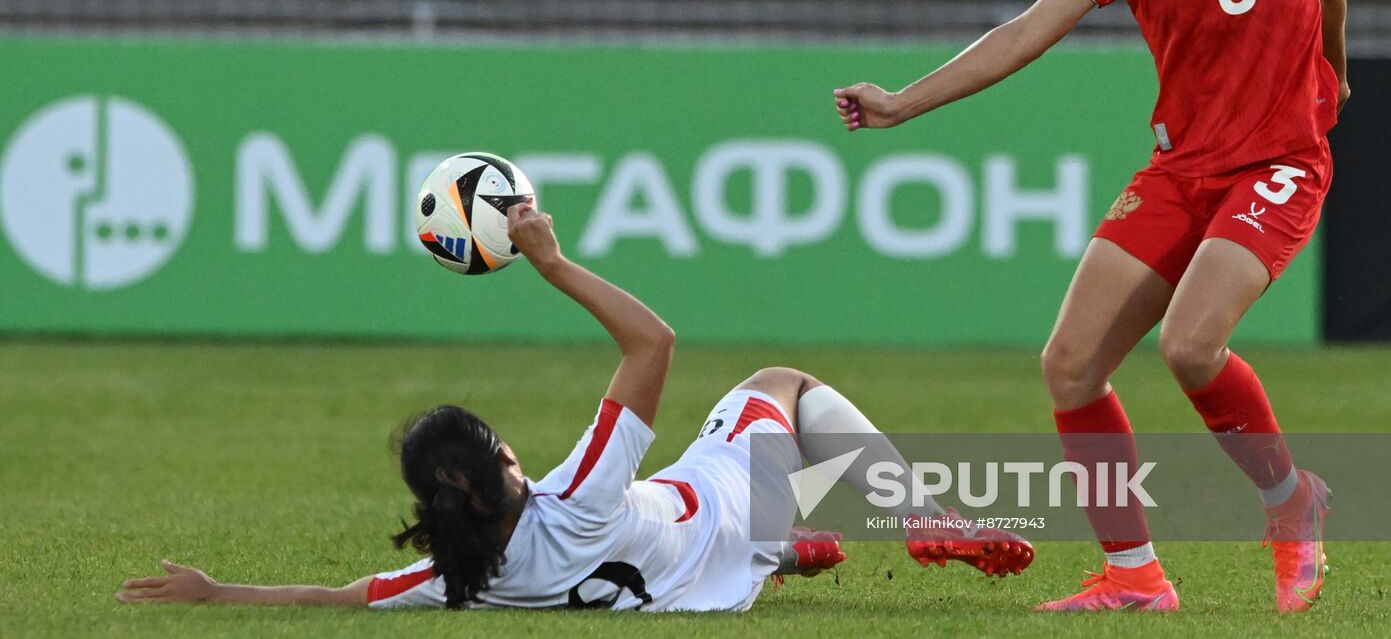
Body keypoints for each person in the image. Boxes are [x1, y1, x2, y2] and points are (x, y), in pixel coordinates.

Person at [833, 0, 1348, 614]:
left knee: (1189, 345)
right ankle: (1136, 578)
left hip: (1279, 162)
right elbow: (1026, 32)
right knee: (1071, 364)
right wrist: (904, 103)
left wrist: (1332, 75)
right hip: (1182, 167)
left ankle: (1290, 501)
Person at [117, 202, 1033, 613]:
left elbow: (342, 594)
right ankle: (920, 513)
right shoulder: (582, 490)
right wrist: (552, 264)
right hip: (716, 505)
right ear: (505, 464)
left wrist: (218, 590)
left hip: (693, 589)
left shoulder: (465, 581)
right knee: (777, 384)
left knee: (731, 539)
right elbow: (654, 342)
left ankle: (791, 551)